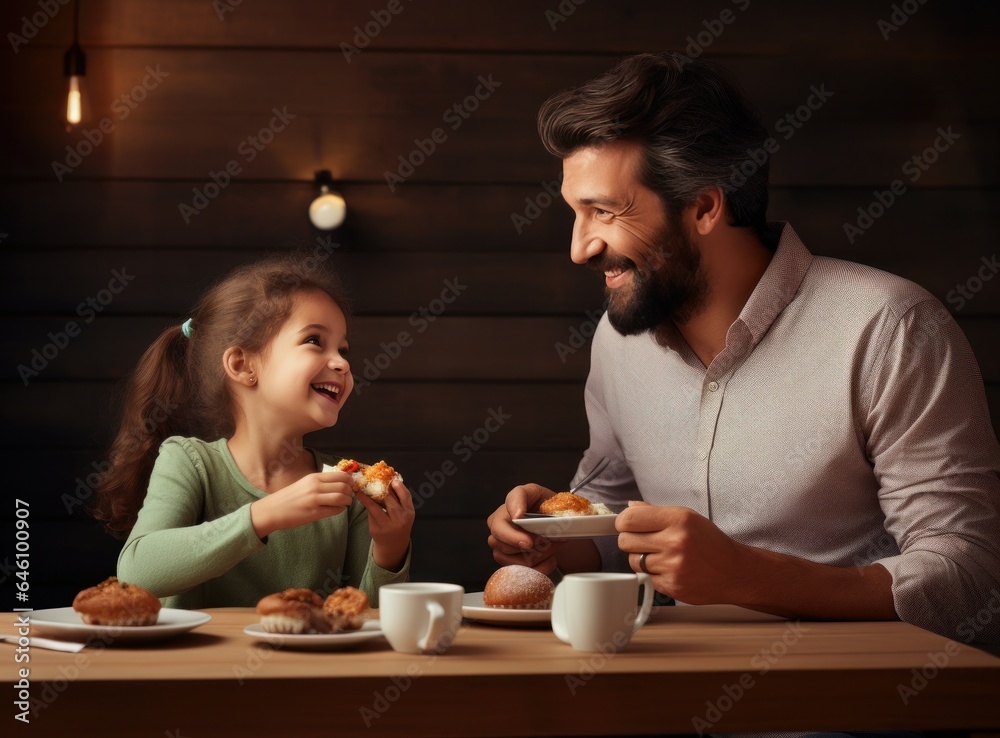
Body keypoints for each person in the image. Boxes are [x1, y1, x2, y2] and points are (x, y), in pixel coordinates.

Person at [487, 52, 1000, 645]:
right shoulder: (617, 341)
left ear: (705, 206)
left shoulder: (890, 327)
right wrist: (553, 536)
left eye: (603, 211)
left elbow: (969, 575)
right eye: (575, 213)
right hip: (666, 693)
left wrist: (746, 576)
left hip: (847, 708)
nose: (579, 248)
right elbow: (611, 521)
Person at [93, 253, 414, 608]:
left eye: (342, 348)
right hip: (198, 665)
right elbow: (138, 572)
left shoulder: (347, 490)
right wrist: (266, 515)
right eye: (314, 341)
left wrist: (390, 549)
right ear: (242, 365)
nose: (342, 363)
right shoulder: (191, 462)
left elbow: (366, 618)